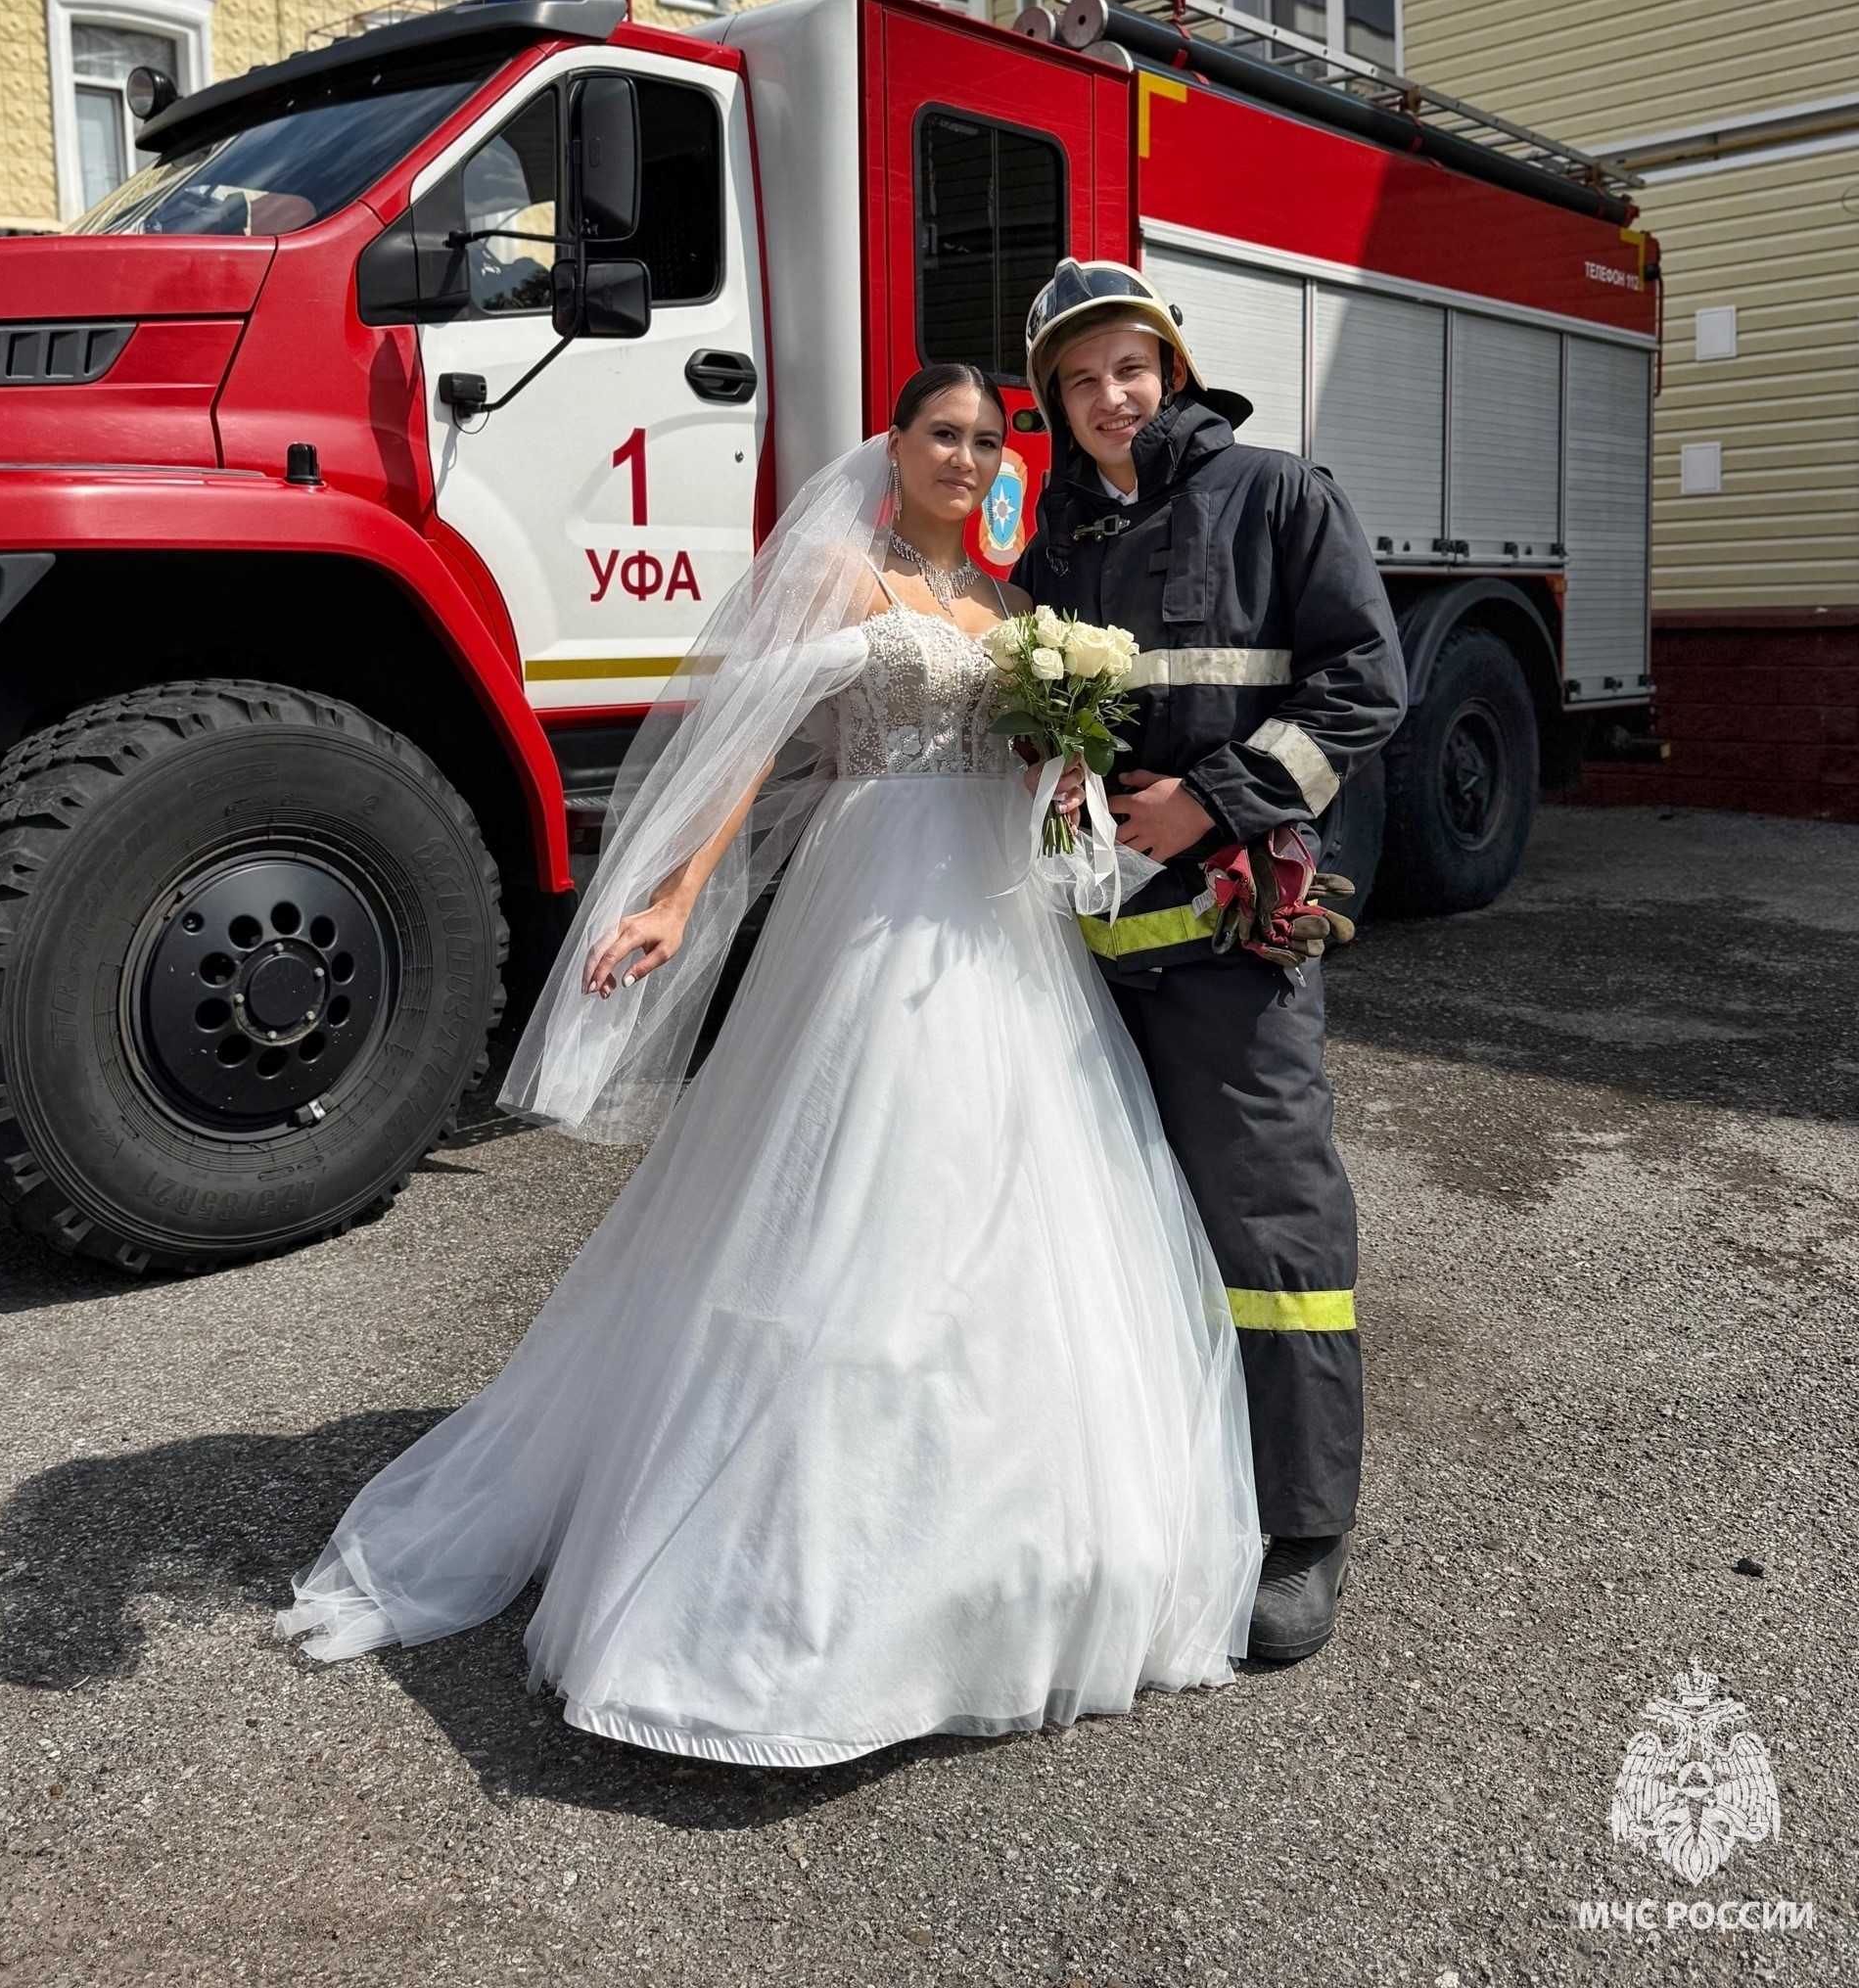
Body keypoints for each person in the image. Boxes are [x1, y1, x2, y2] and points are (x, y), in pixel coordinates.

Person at [278, 364, 1260, 1767]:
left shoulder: (1019, 613)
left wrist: (1074, 786)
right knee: (850, 1201)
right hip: (865, 912)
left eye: (987, 441)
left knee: (1016, 1213)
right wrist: (678, 893)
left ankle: (1006, 1570)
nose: (968, 458)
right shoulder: (845, 582)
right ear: (896, 447)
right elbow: (746, 749)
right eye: (943, 435)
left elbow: (1046, 782)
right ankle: (783, 1584)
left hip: (998, 930)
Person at [1012, 261, 1407, 1665]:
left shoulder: (1281, 495)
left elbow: (1365, 684)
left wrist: (1216, 803)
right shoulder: (1051, 543)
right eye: (1079, 380)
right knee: (1125, 1225)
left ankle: (1306, 1521)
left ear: (1168, 370)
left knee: (1272, 1223)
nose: (1110, 397)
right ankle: (1178, 1486)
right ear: (1055, 402)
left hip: (1237, 944)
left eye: (1130, 367)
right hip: (1095, 953)